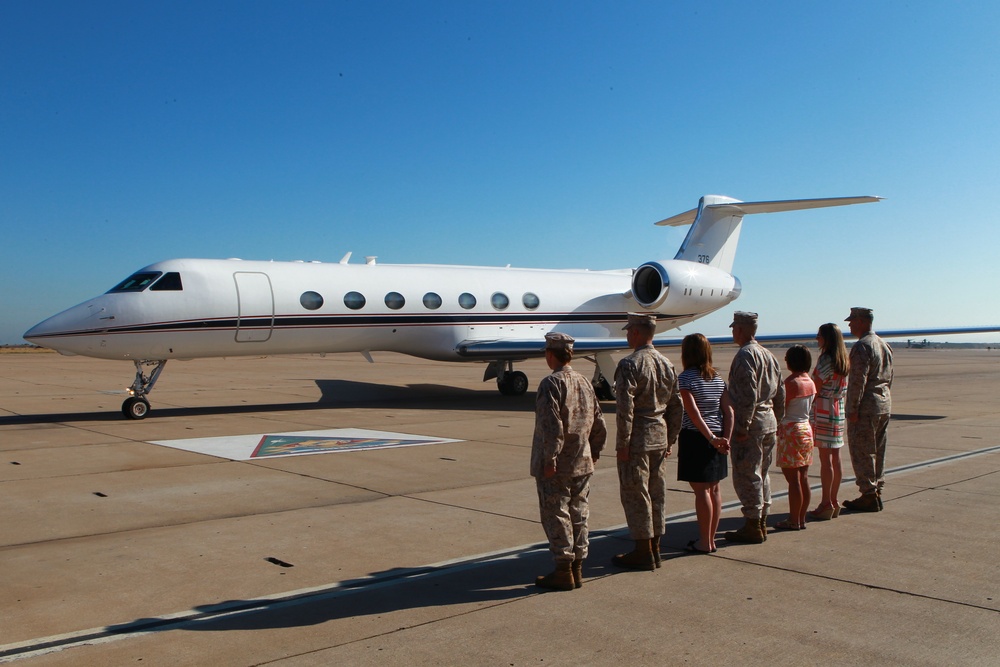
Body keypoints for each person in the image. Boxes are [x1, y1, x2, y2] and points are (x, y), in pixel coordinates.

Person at [530, 331, 608, 590]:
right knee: (579, 513)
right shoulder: (584, 381)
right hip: (582, 460)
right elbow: (599, 420)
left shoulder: (551, 384)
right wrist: (595, 450)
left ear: (550, 354)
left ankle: (564, 569)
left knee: (557, 514)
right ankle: (578, 568)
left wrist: (550, 459)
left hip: (559, 464)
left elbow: (551, 426)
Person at [612, 313, 682, 570]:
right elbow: (676, 406)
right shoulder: (666, 363)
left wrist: (623, 444)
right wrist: (671, 437)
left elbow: (625, 409)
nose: (628, 335)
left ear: (638, 333)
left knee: (636, 495)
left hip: (638, 439)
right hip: (659, 436)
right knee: (657, 493)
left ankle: (643, 551)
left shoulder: (630, 364)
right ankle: (655, 548)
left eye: (630, 331)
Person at [725, 311, 785, 544]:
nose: (732, 332)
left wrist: (742, 426)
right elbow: (780, 392)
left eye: (734, 328)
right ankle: (761, 520)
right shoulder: (769, 355)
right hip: (768, 418)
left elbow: (748, 394)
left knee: (748, 474)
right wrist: (776, 419)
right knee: (763, 473)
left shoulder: (745, 356)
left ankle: (752, 523)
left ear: (741, 329)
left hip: (752, 422)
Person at [677, 333, 733, 554]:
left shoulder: (686, 378)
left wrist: (711, 438)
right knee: (715, 489)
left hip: (697, 437)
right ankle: (710, 539)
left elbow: (693, 413)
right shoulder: (717, 378)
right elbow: (728, 410)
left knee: (701, 491)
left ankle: (704, 541)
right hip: (718, 435)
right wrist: (724, 438)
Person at [842, 307, 894, 513]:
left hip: (866, 405)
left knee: (862, 451)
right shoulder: (884, 344)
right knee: (878, 449)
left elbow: (857, 381)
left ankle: (868, 493)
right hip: (883, 402)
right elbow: (890, 377)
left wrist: (852, 408)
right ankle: (876, 488)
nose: (850, 325)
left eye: (853, 321)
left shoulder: (863, 346)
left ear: (862, 321)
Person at [807, 323, 850, 521]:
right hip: (837, 408)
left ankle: (826, 502)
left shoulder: (826, 360)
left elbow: (815, 386)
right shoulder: (843, 359)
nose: (817, 339)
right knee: (836, 457)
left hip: (824, 407)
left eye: (820, 336)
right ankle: (833, 499)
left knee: (826, 460)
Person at [775, 345, 817, 530]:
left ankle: (793, 519)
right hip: (806, 429)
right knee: (803, 476)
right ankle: (801, 518)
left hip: (791, 430)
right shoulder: (810, 381)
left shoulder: (791, 383)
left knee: (793, 478)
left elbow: (780, 406)